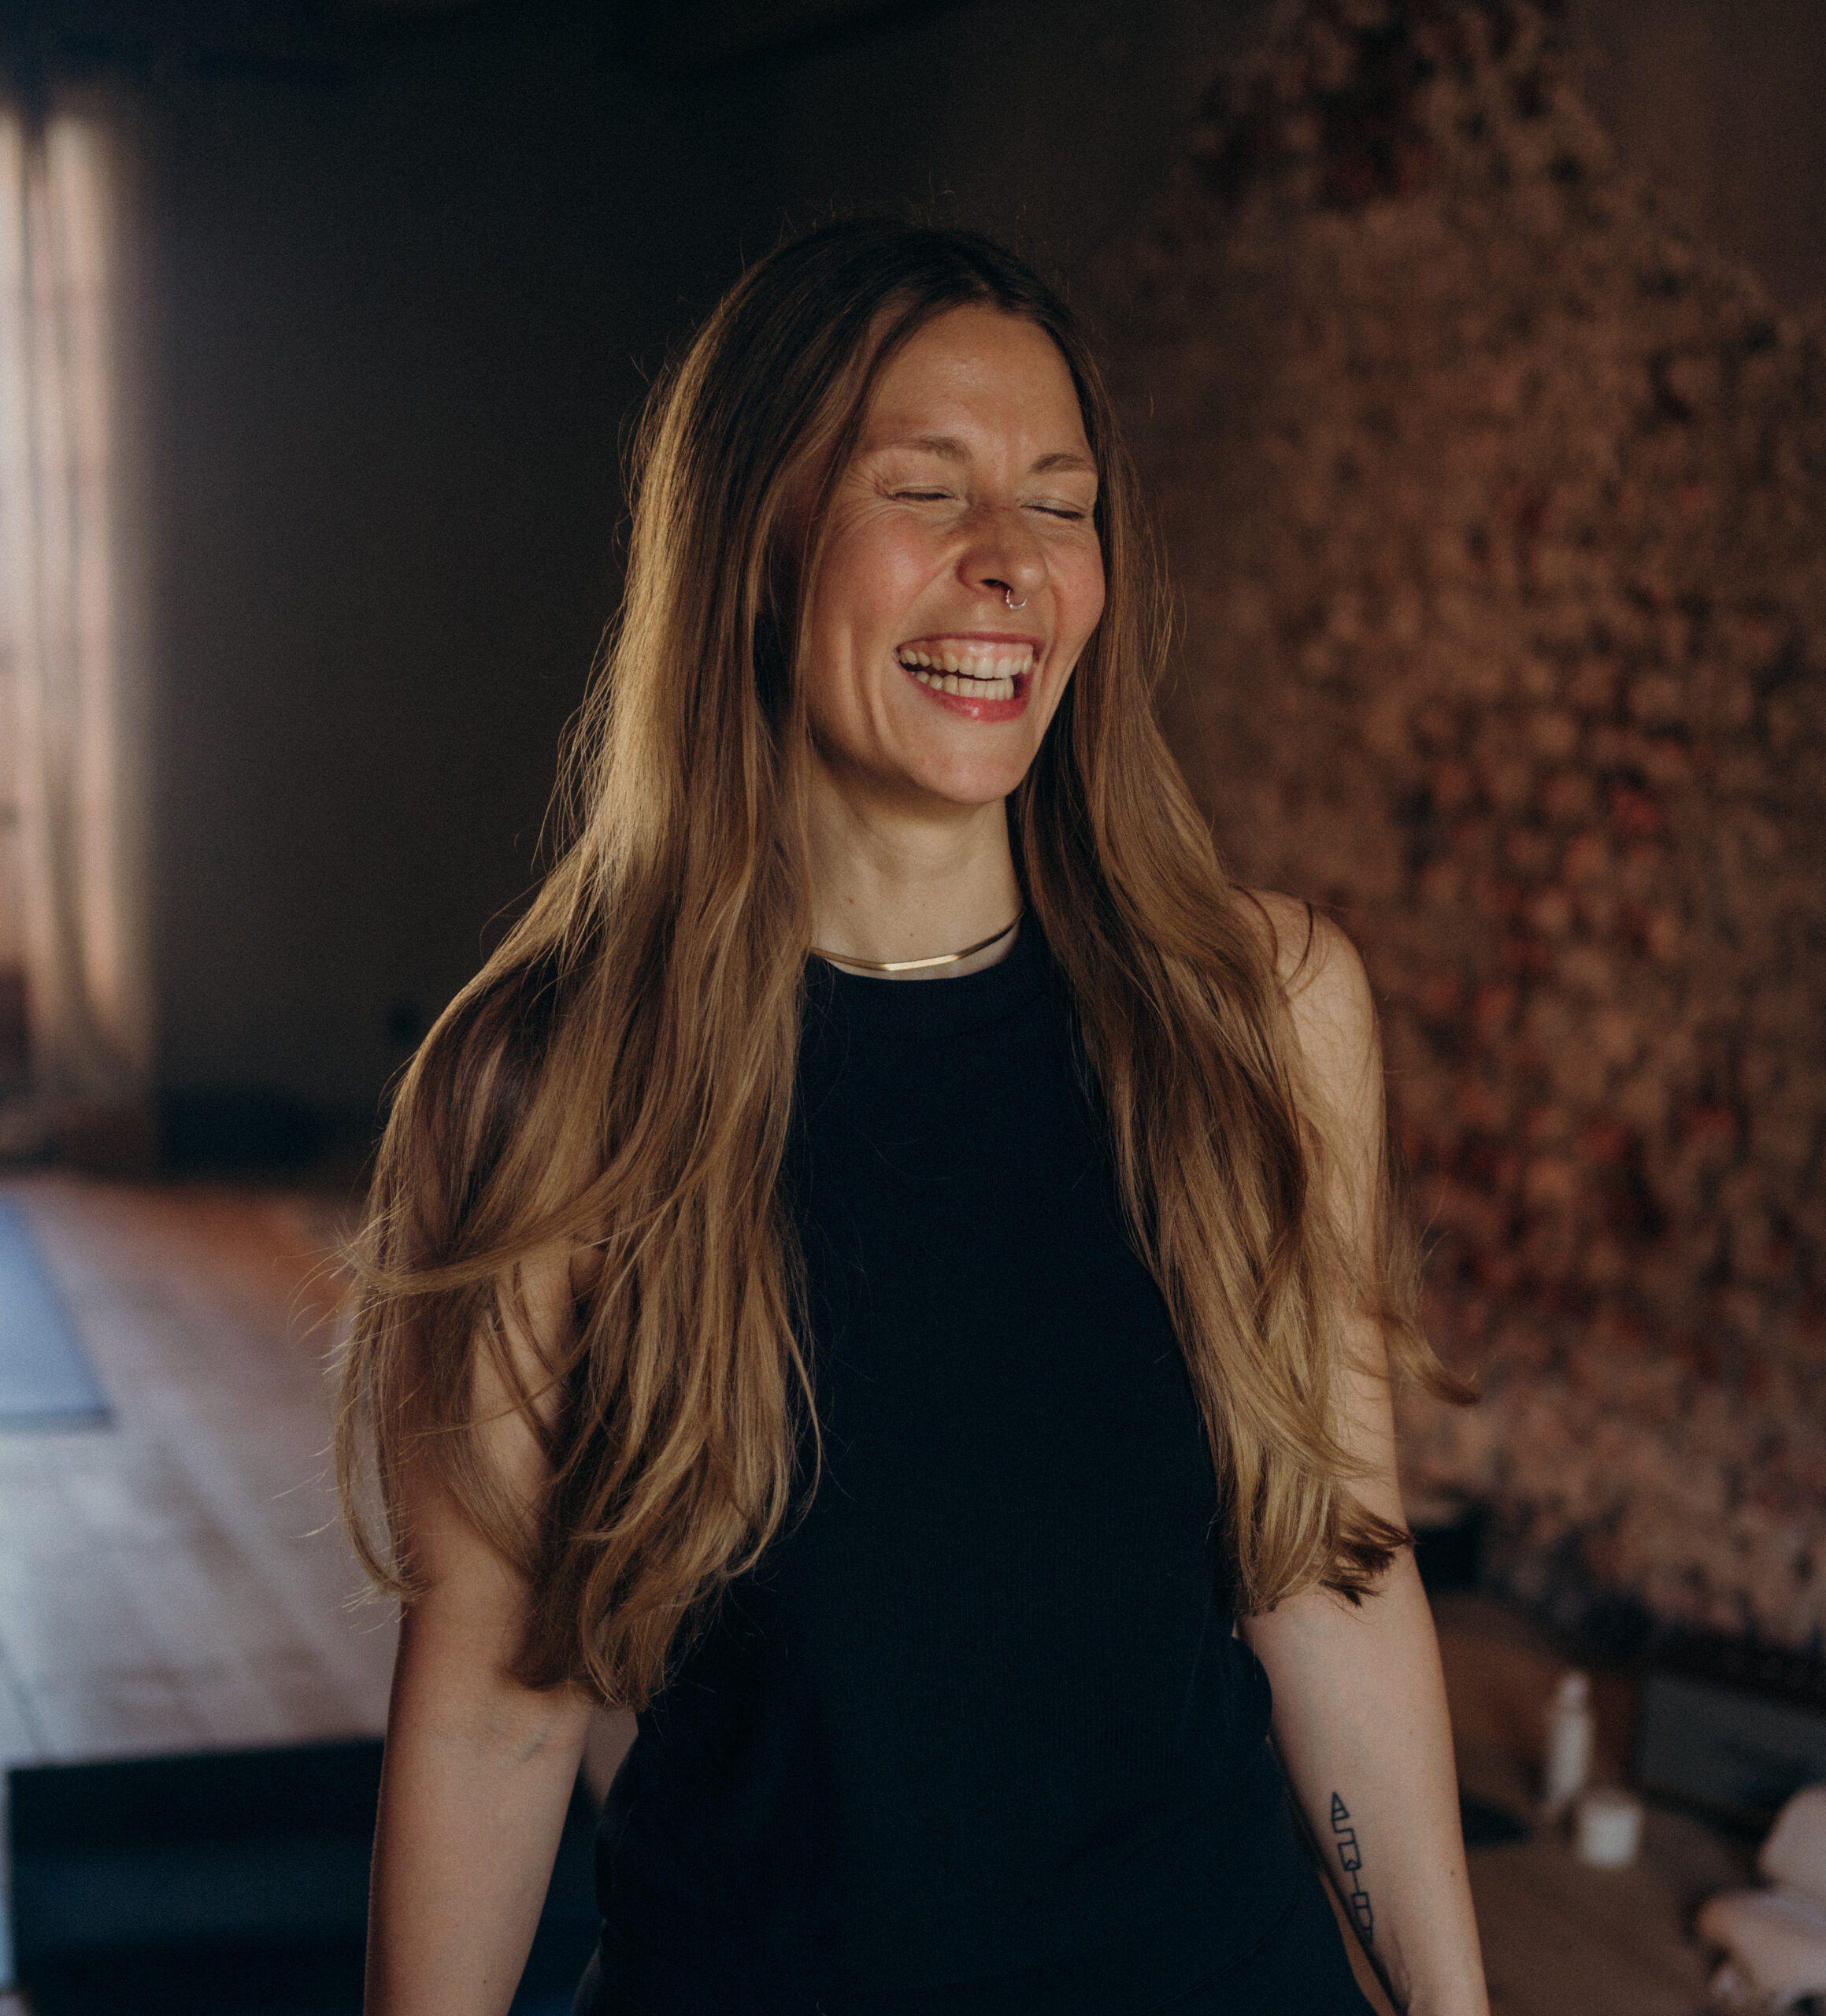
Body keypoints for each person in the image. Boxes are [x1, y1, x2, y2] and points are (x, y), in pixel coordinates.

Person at [336, 219, 1490, 2016]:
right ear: (755, 548)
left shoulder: (1259, 1018)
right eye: (925, 488)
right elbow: (495, 1709)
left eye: (1059, 502)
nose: (1008, 561)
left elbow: (1329, 1581)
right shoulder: (543, 1086)